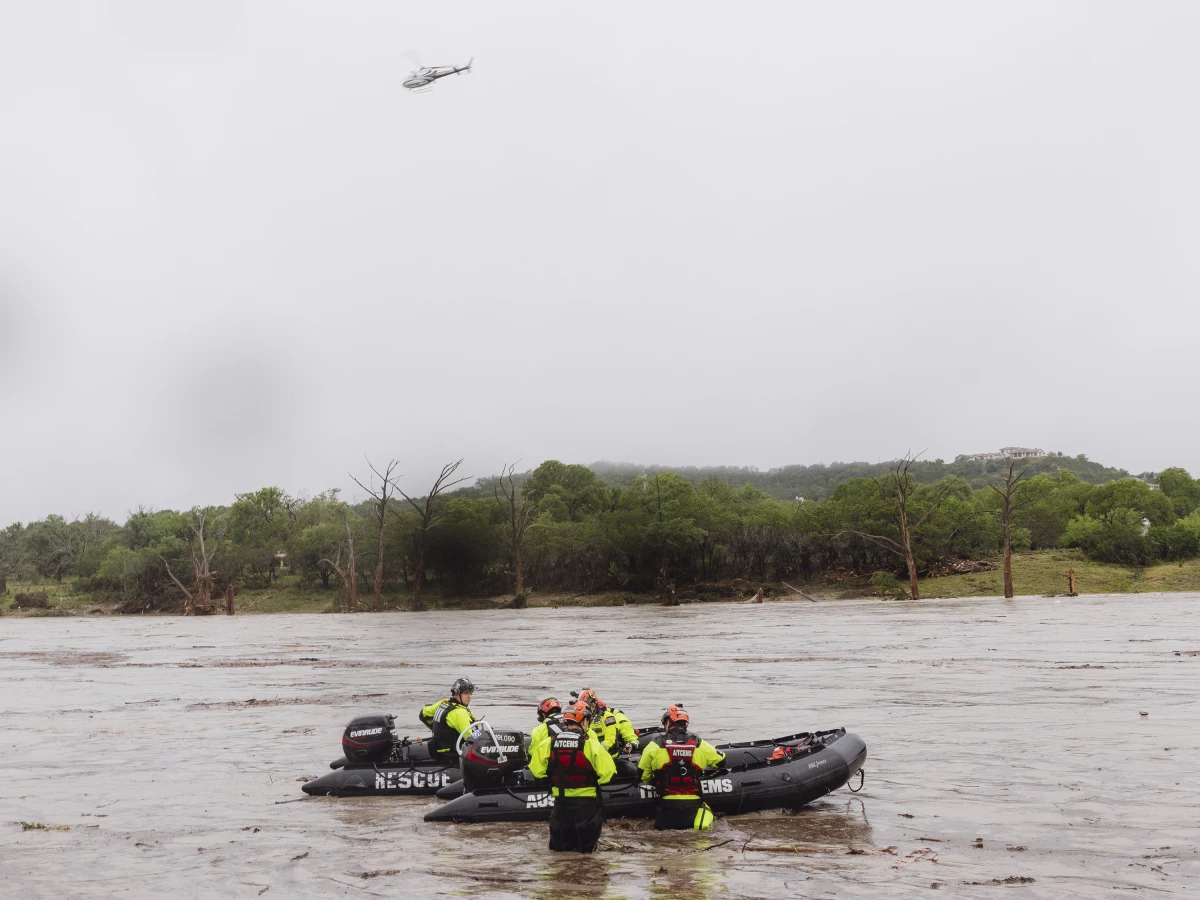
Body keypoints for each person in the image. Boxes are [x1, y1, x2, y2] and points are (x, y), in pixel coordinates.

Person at [528, 699, 616, 853]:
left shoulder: (548, 743)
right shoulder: (591, 744)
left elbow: (537, 771)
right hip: (587, 807)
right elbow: (608, 773)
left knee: (559, 854)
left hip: (561, 807)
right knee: (587, 856)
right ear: (584, 721)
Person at [638, 705, 725, 831]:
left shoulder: (654, 745)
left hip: (667, 809)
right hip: (693, 809)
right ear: (685, 724)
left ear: (668, 723)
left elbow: (643, 776)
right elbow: (721, 761)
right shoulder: (699, 744)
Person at [419, 677, 477, 761]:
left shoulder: (444, 703)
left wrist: (436, 728)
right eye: (466, 693)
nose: (469, 696)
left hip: (438, 751)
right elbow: (471, 738)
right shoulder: (459, 712)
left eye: (471, 693)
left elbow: (423, 714)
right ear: (456, 694)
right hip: (452, 755)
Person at [577, 688, 639, 758]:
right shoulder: (582, 717)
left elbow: (611, 740)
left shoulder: (611, 716)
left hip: (607, 755)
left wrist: (632, 744)